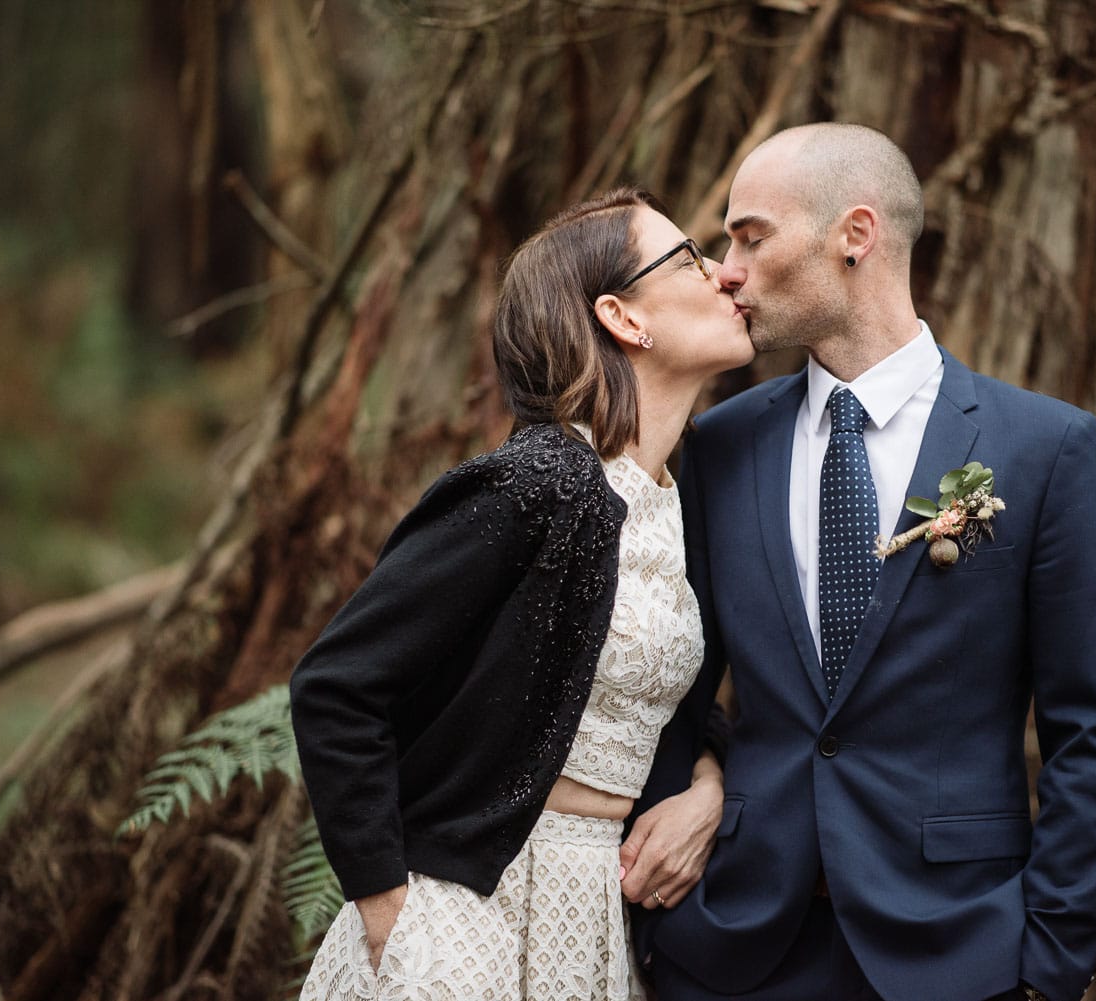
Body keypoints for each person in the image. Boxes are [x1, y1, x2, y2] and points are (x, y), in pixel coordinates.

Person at [631, 124, 1096, 1001]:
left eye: (750, 236)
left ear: (855, 236)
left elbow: (1093, 731)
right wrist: (706, 789)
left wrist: (1049, 968)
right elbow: (675, 682)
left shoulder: (1045, 449)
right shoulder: (719, 446)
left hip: (962, 950)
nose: (726, 268)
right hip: (736, 952)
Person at [289, 186, 751, 1001]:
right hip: (464, 912)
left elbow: (658, 697)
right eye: (688, 258)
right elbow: (337, 683)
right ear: (623, 317)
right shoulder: (542, 481)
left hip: (595, 911)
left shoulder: (681, 504)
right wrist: (394, 911)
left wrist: (710, 782)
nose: (723, 274)